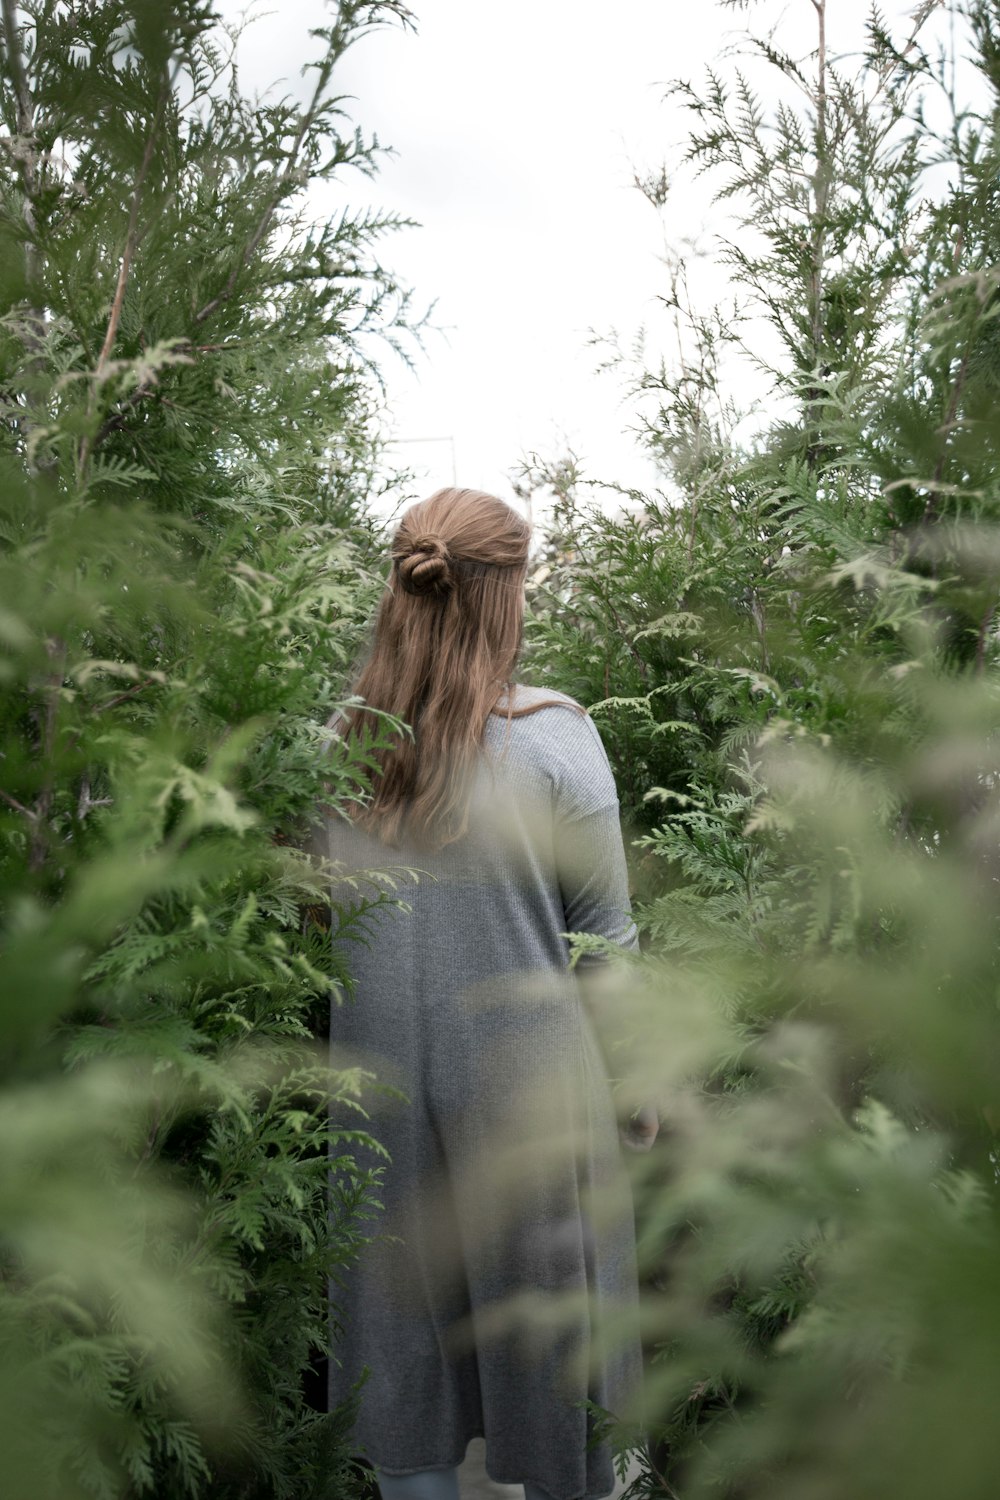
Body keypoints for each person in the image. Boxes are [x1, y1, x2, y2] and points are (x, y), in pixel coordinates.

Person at [315, 487, 650, 1500]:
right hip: (534, 1108)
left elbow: (317, 930)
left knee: (398, 1377)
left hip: (376, 1103)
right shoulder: (555, 743)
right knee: (564, 1377)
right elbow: (607, 945)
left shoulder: (337, 748)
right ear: (505, 596)